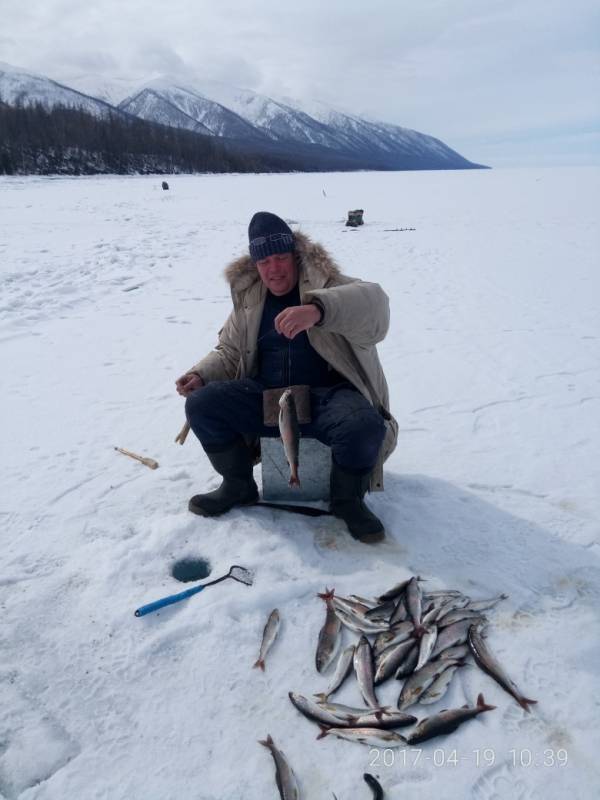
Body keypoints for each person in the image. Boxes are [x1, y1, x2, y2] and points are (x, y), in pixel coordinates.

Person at [175, 212, 398, 543]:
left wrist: (318, 310)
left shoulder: (329, 284)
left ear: (296, 256)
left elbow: (376, 306)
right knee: (202, 405)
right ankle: (238, 486)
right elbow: (230, 352)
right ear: (255, 265)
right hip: (270, 399)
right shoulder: (249, 300)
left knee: (364, 426)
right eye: (264, 261)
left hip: (329, 396)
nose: (274, 269)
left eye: (281, 257)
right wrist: (200, 373)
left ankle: (347, 500)